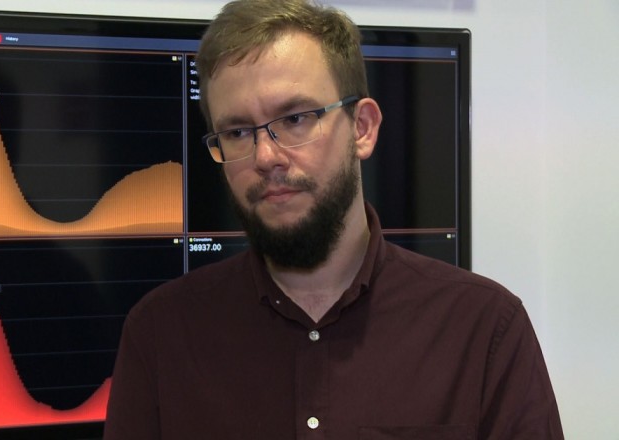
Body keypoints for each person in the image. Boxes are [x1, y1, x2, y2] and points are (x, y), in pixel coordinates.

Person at [103, 0, 564, 438]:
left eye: (295, 119)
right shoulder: (160, 335)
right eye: (238, 131)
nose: (265, 157)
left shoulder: (484, 330)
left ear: (362, 128)